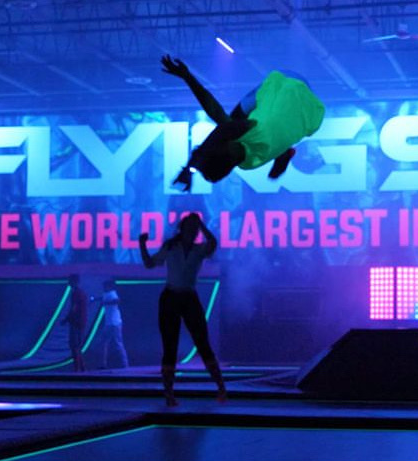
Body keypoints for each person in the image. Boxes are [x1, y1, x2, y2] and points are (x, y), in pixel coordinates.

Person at [160, 54, 325, 191]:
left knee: (246, 126)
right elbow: (220, 128)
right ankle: (283, 152)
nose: (223, 140)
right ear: (226, 150)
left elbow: (217, 118)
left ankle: (284, 152)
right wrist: (189, 169)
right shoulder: (249, 131)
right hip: (289, 81)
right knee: (236, 119)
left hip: (310, 107)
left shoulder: (249, 164)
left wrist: (278, 166)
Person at [139, 213, 226, 406]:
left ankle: (220, 386)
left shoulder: (199, 249)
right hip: (170, 297)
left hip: (188, 296)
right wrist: (142, 244)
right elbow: (149, 263)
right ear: (182, 229)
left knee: (202, 342)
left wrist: (201, 224)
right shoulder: (171, 247)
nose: (193, 232)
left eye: (195, 230)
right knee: (170, 345)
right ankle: (169, 392)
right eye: (190, 228)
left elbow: (213, 242)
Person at [61, 274, 88, 373]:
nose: (68, 282)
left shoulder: (75, 293)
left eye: (69, 280)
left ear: (73, 281)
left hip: (76, 322)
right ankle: (82, 368)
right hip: (82, 321)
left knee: (74, 346)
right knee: (78, 346)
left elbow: (74, 308)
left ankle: (77, 369)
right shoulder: (82, 293)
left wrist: (66, 319)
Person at [99, 279, 128, 369]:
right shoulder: (106, 294)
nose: (103, 288)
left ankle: (124, 364)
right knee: (107, 343)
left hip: (114, 323)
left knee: (116, 343)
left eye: (104, 286)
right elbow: (103, 299)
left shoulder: (112, 293)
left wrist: (105, 303)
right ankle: (104, 364)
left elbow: (117, 300)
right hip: (111, 323)